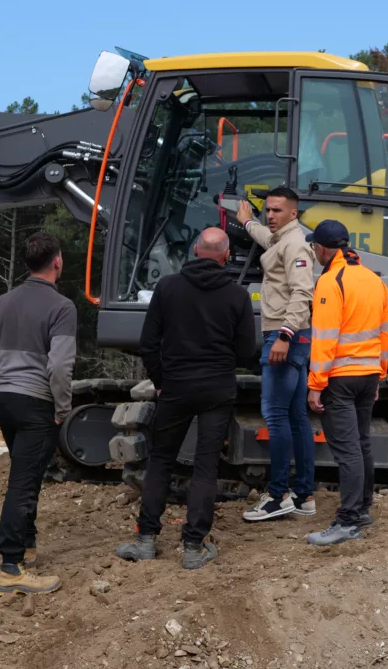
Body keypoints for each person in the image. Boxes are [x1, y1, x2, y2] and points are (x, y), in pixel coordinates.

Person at [115, 227, 256, 570]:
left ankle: (146, 539)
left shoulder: (168, 288)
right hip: (217, 390)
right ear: (225, 256)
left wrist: (162, 381)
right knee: (206, 465)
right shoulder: (238, 296)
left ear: (195, 250)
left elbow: (148, 343)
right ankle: (194, 546)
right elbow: (246, 350)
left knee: (161, 459)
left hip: (176, 387)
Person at [0, 231, 76, 595]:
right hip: (36, 404)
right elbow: (60, 367)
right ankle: (11, 567)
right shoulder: (62, 308)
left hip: (6, 401)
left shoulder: (0, 304)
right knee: (24, 482)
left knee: (25, 473)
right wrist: (63, 408)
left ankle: (28, 548)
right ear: (57, 261)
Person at [303, 220, 388, 547]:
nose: (313, 252)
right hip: (367, 375)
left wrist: (315, 384)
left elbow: (324, 339)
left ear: (324, 249)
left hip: (340, 378)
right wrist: (379, 374)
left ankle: (348, 521)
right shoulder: (374, 280)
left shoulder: (329, 282)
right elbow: (384, 333)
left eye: (314, 247)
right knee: (362, 443)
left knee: (347, 450)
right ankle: (363, 509)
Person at [236, 187, 317, 522]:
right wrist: (247, 223)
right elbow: (269, 241)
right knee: (297, 418)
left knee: (275, 415)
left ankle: (278, 494)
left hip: (285, 336)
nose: (270, 215)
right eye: (267, 210)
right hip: (292, 336)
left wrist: (283, 335)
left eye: (277, 211)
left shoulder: (296, 243)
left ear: (293, 213)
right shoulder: (282, 238)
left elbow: (303, 290)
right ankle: (304, 496)